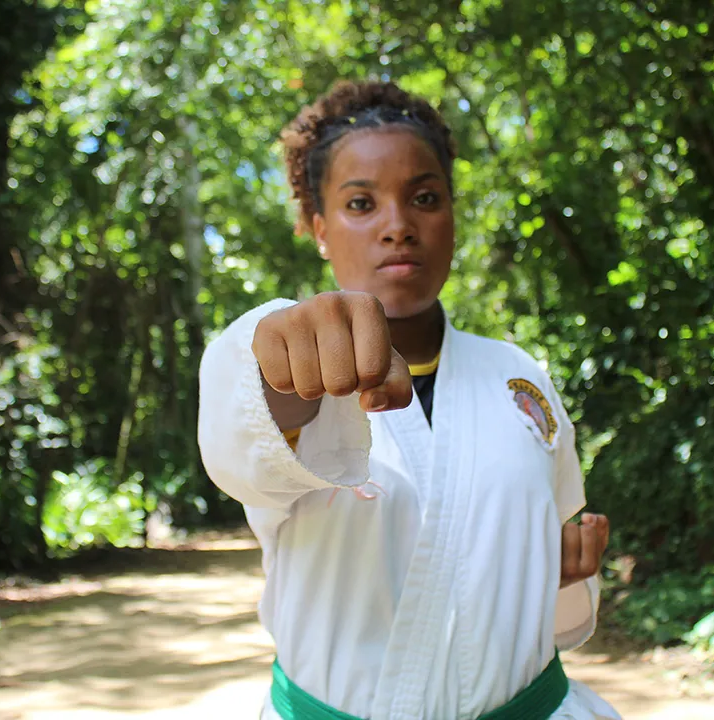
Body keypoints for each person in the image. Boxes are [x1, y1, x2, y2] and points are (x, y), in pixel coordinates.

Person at [198, 80, 621, 720]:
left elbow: (555, 548)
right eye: (361, 204)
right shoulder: (286, 364)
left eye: (424, 198)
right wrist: (274, 363)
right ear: (318, 228)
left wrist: (553, 569)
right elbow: (244, 438)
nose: (398, 226)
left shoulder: (519, 375)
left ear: (452, 211)